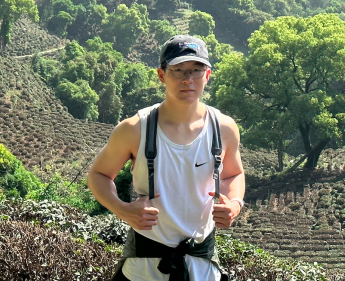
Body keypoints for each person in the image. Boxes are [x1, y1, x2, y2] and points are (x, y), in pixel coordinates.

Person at [87, 35, 245, 281]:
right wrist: (123, 210)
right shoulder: (135, 129)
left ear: (207, 75)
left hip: (202, 265)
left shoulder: (223, 128)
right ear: (162, 75)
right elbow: (99, 175)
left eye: (195, 70)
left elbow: (233, 173)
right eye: (178, 71)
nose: (188, 79)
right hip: (145, 267)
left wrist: (235, 204)